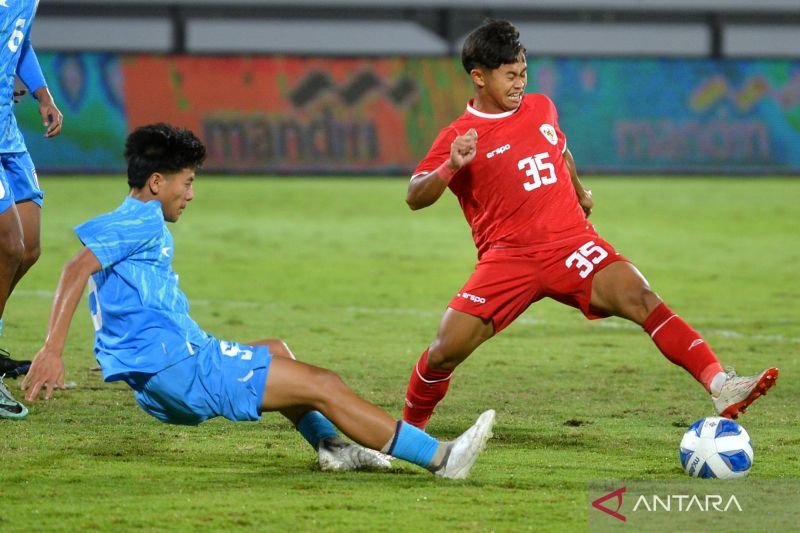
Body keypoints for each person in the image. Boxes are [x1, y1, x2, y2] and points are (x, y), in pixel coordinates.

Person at [20, 123, 494, 478]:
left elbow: (89, 270)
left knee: (275, 351)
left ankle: (331, 447)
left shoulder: (125, 216)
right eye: (186, 182)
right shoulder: (143, 220)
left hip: (164, 370)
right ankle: (441, 458)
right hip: (182, 370)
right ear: (157, 182)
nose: (191, 194)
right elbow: (75, 269)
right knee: (324, 384)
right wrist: (52, 349)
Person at [401, 20, 778, 430]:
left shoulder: (541, 106)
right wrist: (449, 166)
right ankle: (405, 435)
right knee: (443, 352)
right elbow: (415, 195)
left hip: (571, 244)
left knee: (641, 296)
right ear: (478, 76)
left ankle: (721, 384)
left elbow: (559, 148)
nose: (519, 83)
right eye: (509, 75)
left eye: (524, 72)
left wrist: (579, 190)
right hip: (509, 258)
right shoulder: (460, 135)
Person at [0, 1, 64, 393]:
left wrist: (43, 95)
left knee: (29, 247)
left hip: (7, 128)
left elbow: (18, 43)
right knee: (9, 244)